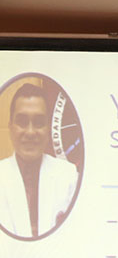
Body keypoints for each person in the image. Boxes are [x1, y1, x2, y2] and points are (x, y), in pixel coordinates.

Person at [0, 83, 79, 238]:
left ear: (48, 129)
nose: (30, 132)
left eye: (38, 123)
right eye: (22, 122)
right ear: (10, 127)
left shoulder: (69, 177)